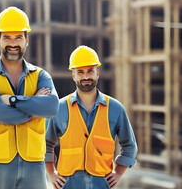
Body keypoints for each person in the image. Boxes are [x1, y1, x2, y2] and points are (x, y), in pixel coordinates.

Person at [0, 6, 59, 189]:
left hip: (33, 163)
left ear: (26, 40)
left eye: (18, 37)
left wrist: (12, 100)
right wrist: (33, 110)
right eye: (7, 37)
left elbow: (52, 107)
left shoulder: (41, 75)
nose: (13, 43)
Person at [45, 45, 138, 189]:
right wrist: (51, 174)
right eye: (80, 72)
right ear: (73, 75)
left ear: (98, 73)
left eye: (90, 71)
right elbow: (44, 144)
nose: (86, 76)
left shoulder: (115, 108)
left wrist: (118, 173)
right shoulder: (59, 108)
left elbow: (129, 146)